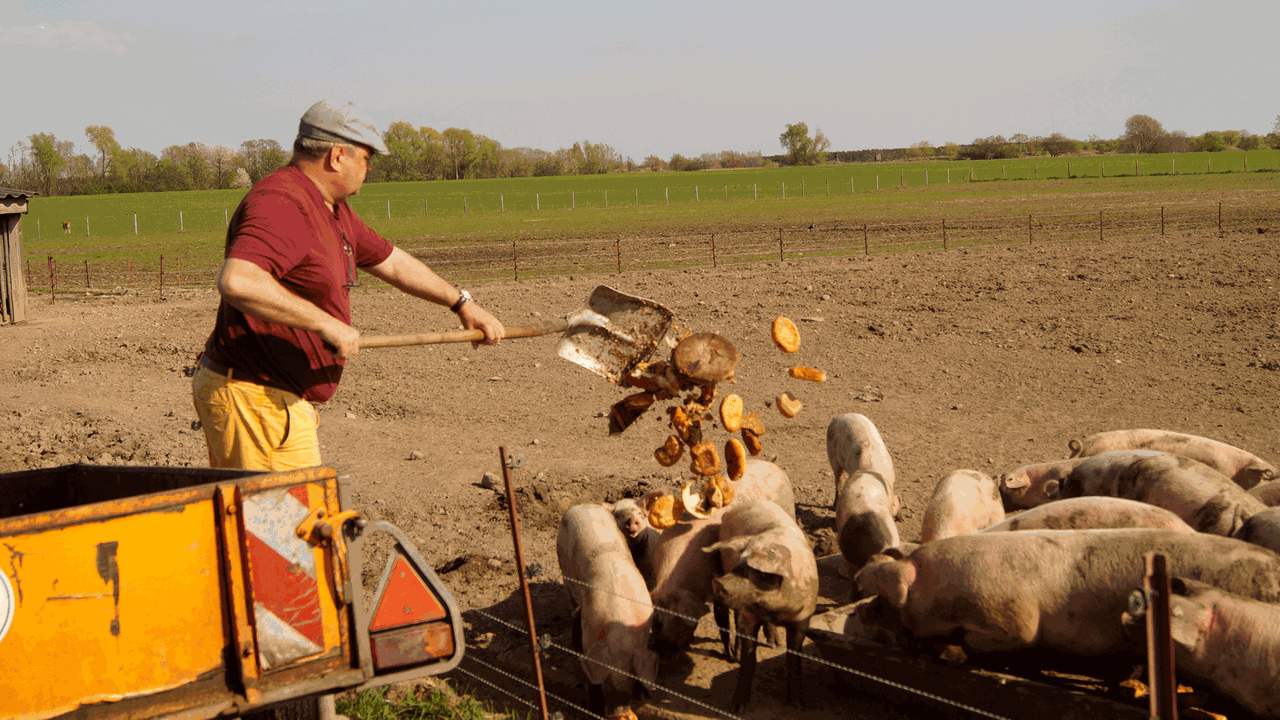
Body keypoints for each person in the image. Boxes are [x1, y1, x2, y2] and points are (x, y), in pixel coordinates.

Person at [192, 99, 505, 471]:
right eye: (366, 159)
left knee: (289, 522)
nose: (368, 170)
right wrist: (325, 322)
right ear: (338, 156)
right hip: (256, 400)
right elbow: (239, 281)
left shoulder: (332, 209)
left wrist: (462, 303)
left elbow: (394, 263)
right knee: (279, 526)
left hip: (273, 401)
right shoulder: (283, 203)